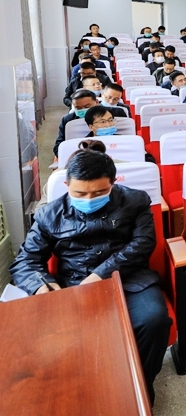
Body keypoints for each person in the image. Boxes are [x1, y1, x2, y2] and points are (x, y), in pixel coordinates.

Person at [10, 145, 171, 403]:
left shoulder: (136, 201)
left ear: (113, 183)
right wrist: (42, 286)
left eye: (98, 192)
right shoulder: (49, 215)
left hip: (129, 278)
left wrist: (101, 274)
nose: (88, 199)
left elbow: (143, 244)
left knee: (153, 320)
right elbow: (25, 261)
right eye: (79, 193)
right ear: (66, 185)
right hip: (74, 284)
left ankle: (139, 388)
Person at [54, 89, 126, 159]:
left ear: (96, 102)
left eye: (87, 107)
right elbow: (59, 148)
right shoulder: (68, 120)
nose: (83, 110)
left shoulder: (117, 113)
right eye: (78, 108)